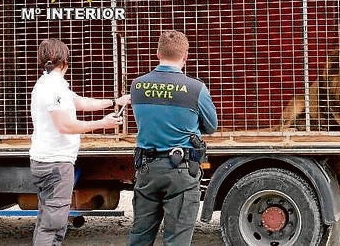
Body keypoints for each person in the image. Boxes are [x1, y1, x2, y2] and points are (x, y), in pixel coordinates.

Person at [30, 38, 130, 246]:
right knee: (54, 224)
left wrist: (114, 102)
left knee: (46, 219)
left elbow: (80, 102)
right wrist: (103, 124)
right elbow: (65, 125)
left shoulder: (51, 84)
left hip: (47, 161)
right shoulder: (52, 88)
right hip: (55, 164)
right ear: (64, 61)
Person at [128, 30, 218, 246]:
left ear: (157, 53)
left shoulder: (137, 86)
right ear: (185, 56)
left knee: (139, 237)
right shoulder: (196, 89)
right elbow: (211, 126)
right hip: (182, 172)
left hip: (147, 170)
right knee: (177, 239)